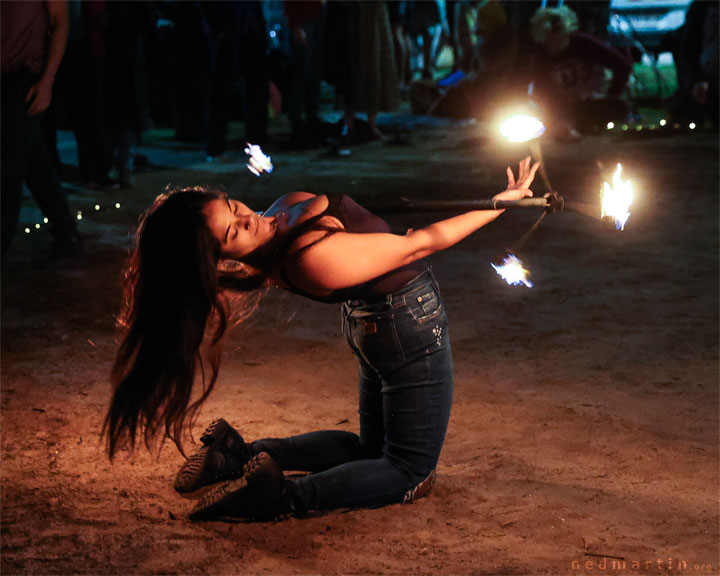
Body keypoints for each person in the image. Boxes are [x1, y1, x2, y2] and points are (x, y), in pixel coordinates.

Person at [104, 157, 539, 520]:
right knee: (408, 470)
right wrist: (501, 205)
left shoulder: (283, 217)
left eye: (233, 206)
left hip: (382, 326)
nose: (248, 218)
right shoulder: (312, 259)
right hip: (405, 327)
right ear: (220, 257)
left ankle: (239, 454)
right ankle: (286, 497)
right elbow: (420, 245)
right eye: (232, 233)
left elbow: (393, 245)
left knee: (369, 449)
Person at [1, 0, 82, 259]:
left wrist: (47, 80)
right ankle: (65, 232)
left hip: (25, 75)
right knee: (31, 158)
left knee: (8, 166)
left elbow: (60, 22)